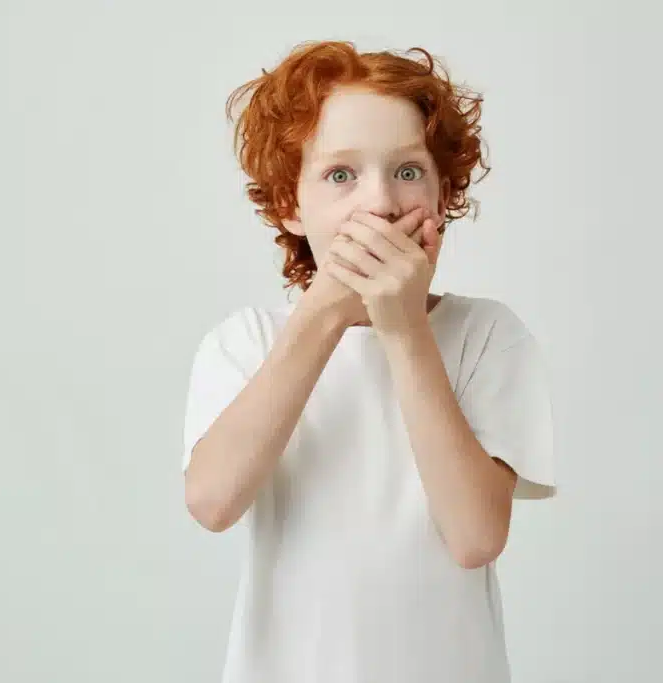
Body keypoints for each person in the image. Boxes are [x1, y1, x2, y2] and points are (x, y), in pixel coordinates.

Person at [181, 40, 556, 683]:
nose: (379, 203)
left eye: (407, 171)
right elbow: (213, 502)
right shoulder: (243, 341)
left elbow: (475, 539)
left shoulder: (486, 334)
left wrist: (404, 327)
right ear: (289, 206)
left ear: (444, 194)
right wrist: (326, 312)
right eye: (340, 175)